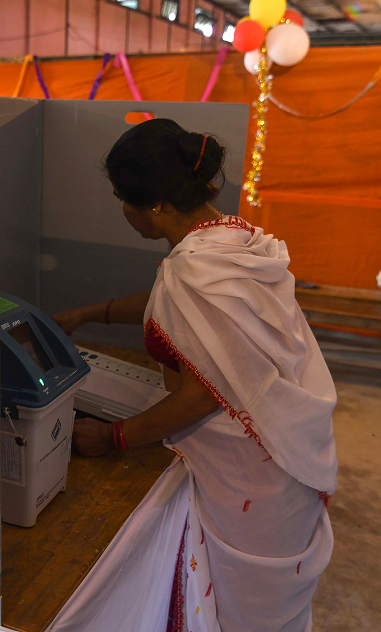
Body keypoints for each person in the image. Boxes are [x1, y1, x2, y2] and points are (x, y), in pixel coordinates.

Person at [48, 119, 337, 632]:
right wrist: (90, 312)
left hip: (250, 474)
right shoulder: (230, 239)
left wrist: (112, 437)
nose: (123, 210)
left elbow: (201, 397)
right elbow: (181, 309)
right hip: (281, 446)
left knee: (242, 614)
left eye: (123, 199)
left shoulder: (192, 271)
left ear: (155, 205)